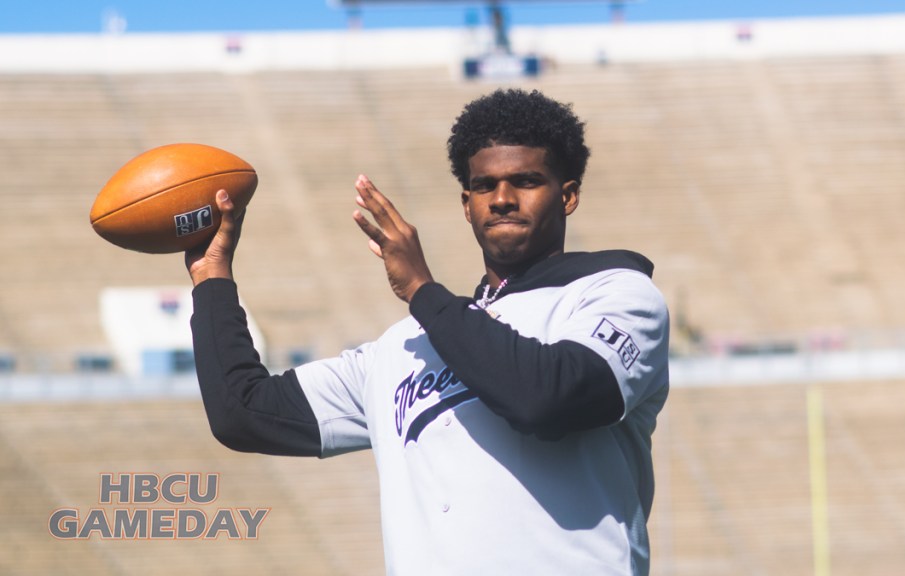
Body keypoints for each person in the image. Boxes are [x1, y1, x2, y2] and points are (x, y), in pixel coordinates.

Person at [186, 88, 670, 575]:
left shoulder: (616, 295)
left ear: (567, 196)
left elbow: (549, 398)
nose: (502, 199)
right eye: (485, 186)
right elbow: (242, 412)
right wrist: (212, 277)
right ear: (466, 203)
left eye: (526, 181)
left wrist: (422, 290)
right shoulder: (402, 348)